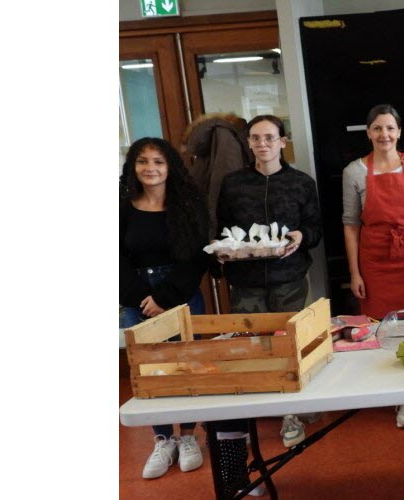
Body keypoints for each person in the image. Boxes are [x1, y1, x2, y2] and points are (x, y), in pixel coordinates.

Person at [215, 114, 323, 451]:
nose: (263, 144)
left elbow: (316, 231)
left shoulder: (301, 182)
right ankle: (257, 409)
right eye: (256, 138)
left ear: (282, 142)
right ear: (248, 143)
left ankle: (290, 411)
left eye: (270, 138)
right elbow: (222, 230)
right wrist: (222, 252)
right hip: (245, 281)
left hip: (288, 278)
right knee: (251, 346)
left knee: (288, 345)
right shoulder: (233, 184)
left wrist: (300, 235)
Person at [342, 104, 404, 428]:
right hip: (376, 259)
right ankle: (399, 397)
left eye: (390, 128)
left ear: (399, 132)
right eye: (377, 128)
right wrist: (355, 272)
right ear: (368, 133)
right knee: (386, 330)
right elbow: (349, 224)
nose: (384, 134)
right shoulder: (354, 171)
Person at [119, 137, 208, 479]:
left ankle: (187, 436)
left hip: (181, 294)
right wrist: (143, 298)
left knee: (187, 366)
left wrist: (165, 298)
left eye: (158, 161)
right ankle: (162, 439)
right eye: (143, 161)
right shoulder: (123, 208)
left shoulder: (189, 205)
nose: (151, 168)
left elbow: (198, 255)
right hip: (136, 299)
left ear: (170, 166)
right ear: (133, 167)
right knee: (149, 371)